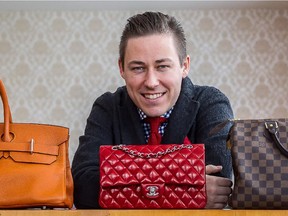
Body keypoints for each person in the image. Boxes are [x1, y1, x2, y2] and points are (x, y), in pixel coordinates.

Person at [72, 11, 233, 209]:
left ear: (184, 66)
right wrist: (187, 188)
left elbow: (220, 186)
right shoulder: (107, 107)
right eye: (138, 68)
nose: (151, 82)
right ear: (121, 68)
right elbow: (82, 187)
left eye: (162, 66)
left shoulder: (211, 102)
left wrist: (120, 183)